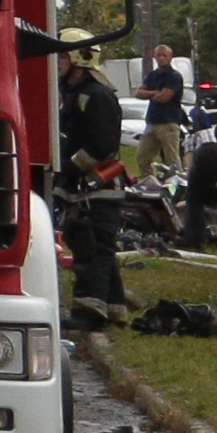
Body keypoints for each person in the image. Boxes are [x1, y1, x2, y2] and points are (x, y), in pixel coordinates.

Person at [55, 50, 133, 314]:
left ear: (79, 60)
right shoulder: (73, 94)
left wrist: (68, 169)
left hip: (98, 188)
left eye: (62, 58)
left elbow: (101, 145)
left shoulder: (95, 95)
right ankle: (114, 305)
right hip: (84, 189)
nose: (57, 63)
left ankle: (90, 309)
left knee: (92, 249)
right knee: (100, 249)